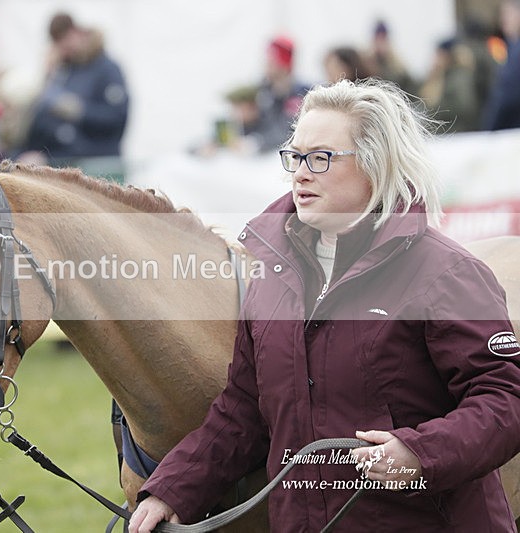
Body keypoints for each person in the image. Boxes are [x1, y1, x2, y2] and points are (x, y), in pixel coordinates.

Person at [129, 79, 520, 532]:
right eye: (295, 157)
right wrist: (172, 490)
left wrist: (419, 452)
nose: (299, 173)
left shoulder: (446, 273)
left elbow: (504, 399)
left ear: (376, 165)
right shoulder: (270, 278)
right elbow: (244, 408)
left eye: (320, 158)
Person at [16, 12, 129, 166]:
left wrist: (79, 110)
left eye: (66, 45)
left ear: (75, 33)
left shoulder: (107, 70)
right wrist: (48, 75)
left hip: (97, 162)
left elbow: (116, 118)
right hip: (64, 156)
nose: (64, 51)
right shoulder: (67, 69)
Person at [255, 36, 310, 152]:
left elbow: (289, 131)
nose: (266, 65)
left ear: (284, 64)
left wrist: (257, 143)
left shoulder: (303, 92)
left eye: (272, 62)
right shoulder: (262, 89)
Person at [419, 38, 479, 132]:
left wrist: (434, 110)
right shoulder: (442, 75)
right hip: (448, 132)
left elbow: (463, 106)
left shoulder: (458, 77)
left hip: (456, 132)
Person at [482, 0, 520, 130]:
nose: (503, 20)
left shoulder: (517, 51)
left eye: (507, 14)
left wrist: (490, 129)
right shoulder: (510, 47)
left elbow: (508, 95)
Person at [363, 20, 415, 93]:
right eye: (378, 38)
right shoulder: (365, 62)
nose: (380, 43)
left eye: (383, 38)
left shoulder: (398, 67)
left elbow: (407, 87)